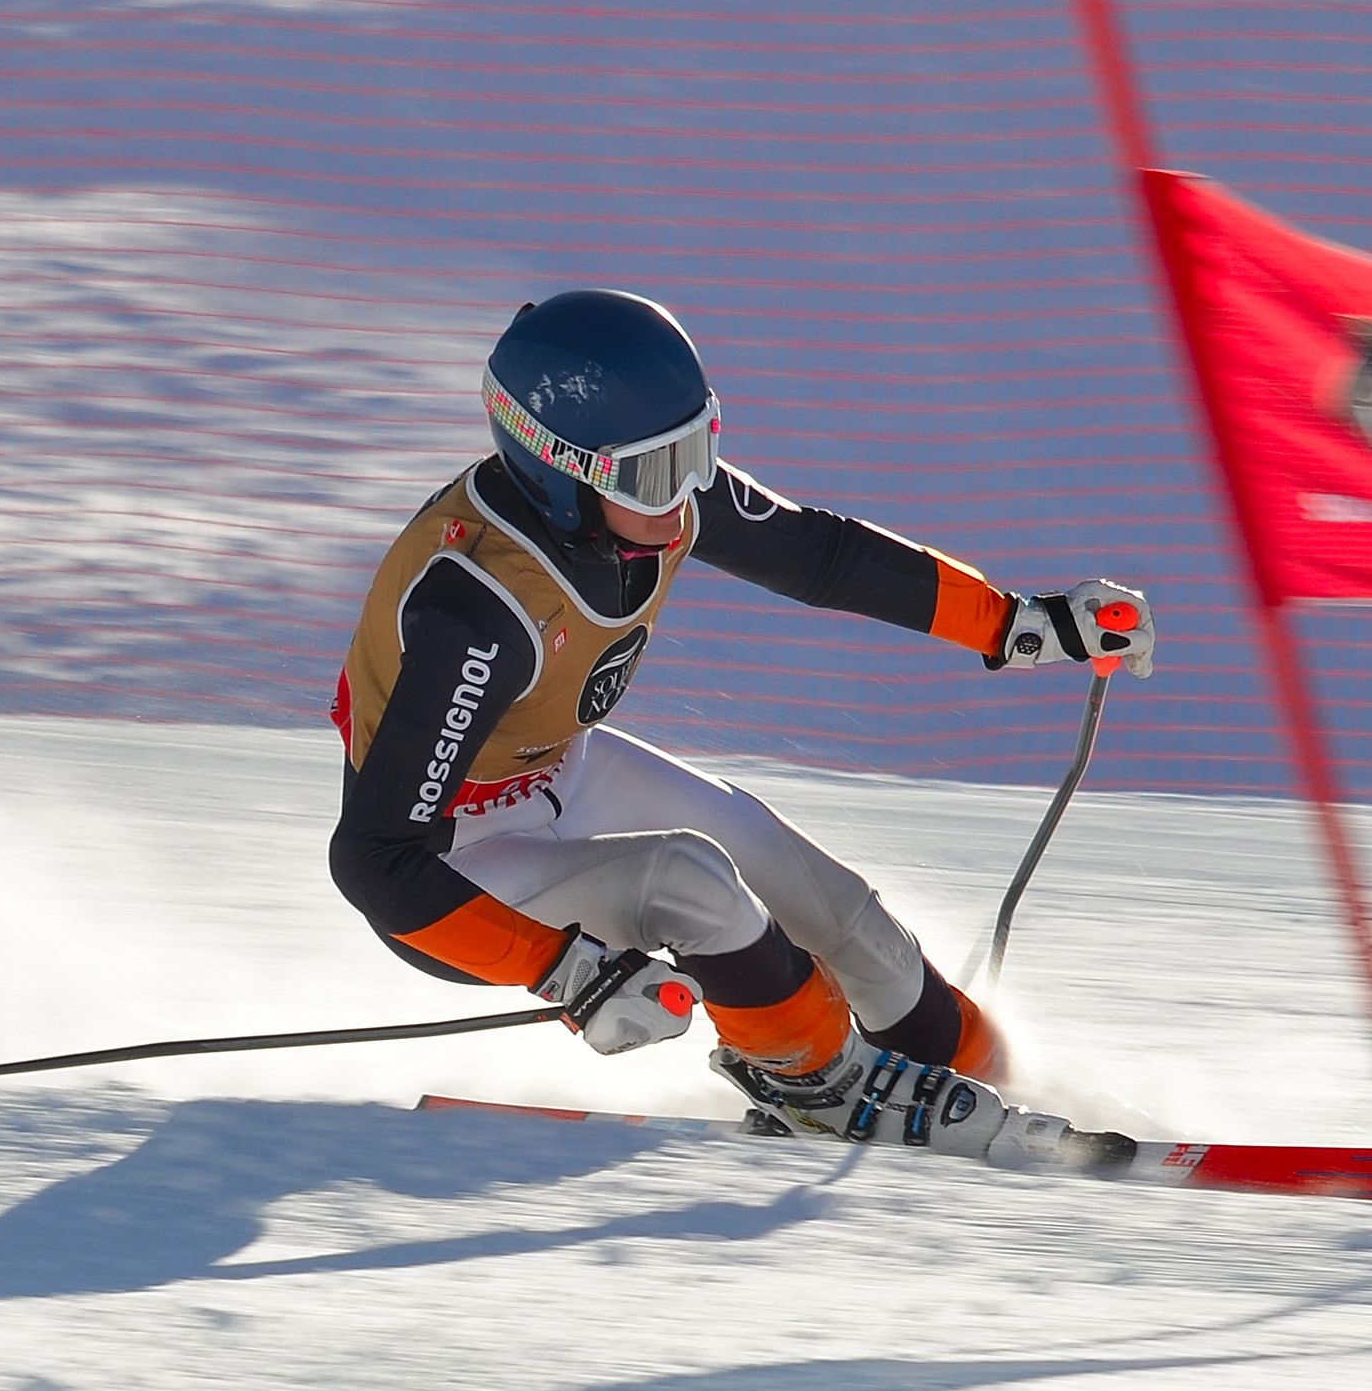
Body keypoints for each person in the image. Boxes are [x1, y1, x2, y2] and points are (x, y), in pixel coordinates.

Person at [327, 290, 1154, 1162]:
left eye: (699, 449)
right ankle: (818, 1085)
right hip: (452, 863)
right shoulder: (480, 608)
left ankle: (985, 1072)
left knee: (820, 896)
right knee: (692, 882)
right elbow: (377, 860)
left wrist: (1014, 622)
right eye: (658, 469)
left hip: (552, 771)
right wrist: (564, 970)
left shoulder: (645, 502)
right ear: (560, 475)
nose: (689, 491)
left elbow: (820, 555)